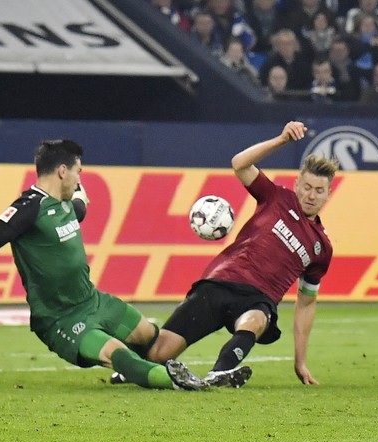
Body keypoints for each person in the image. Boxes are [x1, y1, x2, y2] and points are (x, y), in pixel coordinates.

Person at [0, 140, 206, 391]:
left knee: (149, 335)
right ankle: (177, 381)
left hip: (93, 301)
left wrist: (80, 194)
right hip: (61, 318)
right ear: (61, 171)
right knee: (117, 354)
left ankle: (141, 373)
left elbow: (80, 205)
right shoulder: (28, 208)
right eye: (78, 171)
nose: (79, 178)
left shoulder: (68, 202)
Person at [116, 122, 338, 388]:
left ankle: (220, 372)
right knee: (160, 353)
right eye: (307, 187)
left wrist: (300, 361)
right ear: (297, 183)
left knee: (256, 320)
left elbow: (306, 303)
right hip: (221, 281)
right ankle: (128, 365)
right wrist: (281, 140)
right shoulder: (276, 197)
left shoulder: (321, 248)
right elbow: (240, 164)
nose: (311, 195)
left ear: (328, 194)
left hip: (259, 299)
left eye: (319, 190)